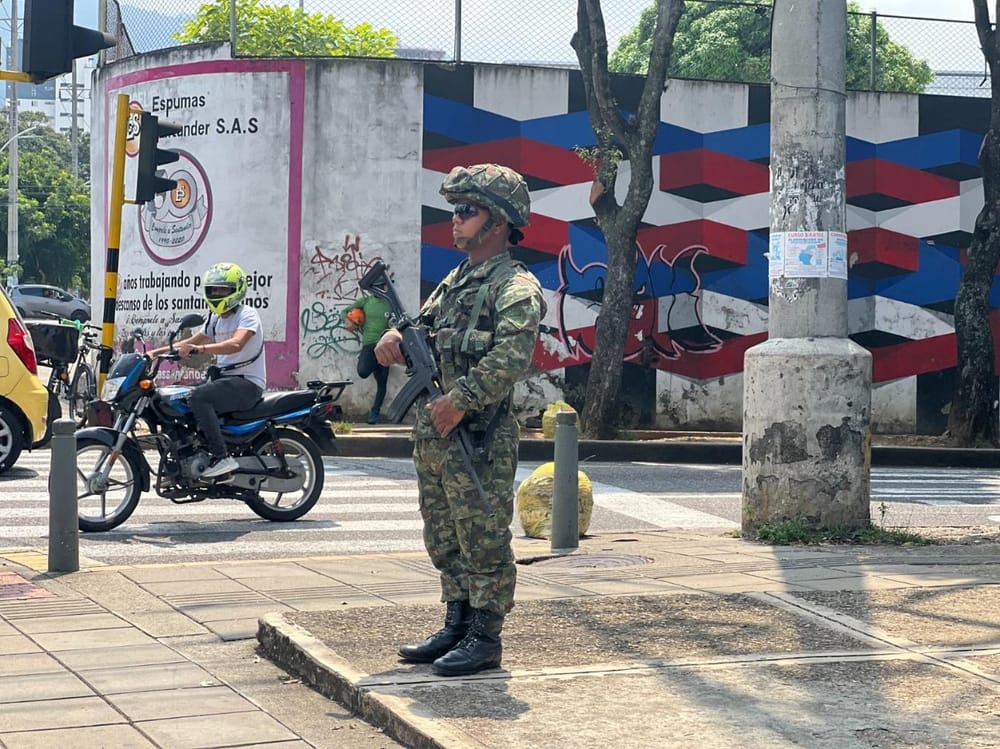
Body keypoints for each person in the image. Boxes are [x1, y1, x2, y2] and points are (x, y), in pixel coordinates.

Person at [375, 164, 546, 677]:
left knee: (483, 535)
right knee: (444, 533)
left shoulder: (515, 286)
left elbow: (513, 355)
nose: (455, 220)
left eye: (466, 211)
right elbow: (422, 332)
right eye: (455, 210)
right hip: (435, 433)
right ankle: (456, 620)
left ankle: (484, 635)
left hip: (477, 436)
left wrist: (462, 399)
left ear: (497, 221)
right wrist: (394, 340)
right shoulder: (455, 283)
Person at [149, 262, 266, 479]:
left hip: (247, 383)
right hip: (224, 381)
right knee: (173, 399)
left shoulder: (247, 314)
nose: (217, 293)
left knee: (199, 397)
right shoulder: (215, 318)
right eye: (214, 289)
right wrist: (153, 354)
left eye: (223, 289)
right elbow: (191, 342)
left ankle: (221, 457)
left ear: (236, 290)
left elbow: (236, 344)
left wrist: (199, 349)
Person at [344, 286, 391, 423]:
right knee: (363, 372)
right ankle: (375, 364)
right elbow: (345, 311)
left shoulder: (389, 303)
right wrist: (349, 321)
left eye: (382, 286)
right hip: (369, 344)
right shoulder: (365, 301)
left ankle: (375, 412)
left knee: (382, 382)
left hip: (384, 346)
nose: (380, 289)